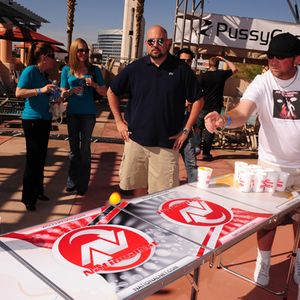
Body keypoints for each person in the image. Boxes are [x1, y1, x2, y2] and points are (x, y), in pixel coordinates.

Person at [204, 32, 300, 287]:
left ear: (297, 59)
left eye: (281, 56)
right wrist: (224, 119)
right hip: (271, 166)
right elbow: (242, 111)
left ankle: (299, 258)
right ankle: (264, 261)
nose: (274, 60)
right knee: (267, 220)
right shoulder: (262, 81)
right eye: (270, 56)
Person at [107, 25, 204, 197]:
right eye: (151, 41)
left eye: (160, 41)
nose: (155, 45)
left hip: (166, 145)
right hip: (135, 141)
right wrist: (118, 121)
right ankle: (139, 223)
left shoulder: (181, 69)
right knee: (137, 189)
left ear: (168, 43)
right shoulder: (135, 68)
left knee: (161, 196)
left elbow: (198, 100)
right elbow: (111, 91)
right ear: (146, 44)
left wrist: (185, 131)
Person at [60, 38, 107, 195]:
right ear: (74, 51)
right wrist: (69, 92)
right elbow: (62, 92)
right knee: (73, 150)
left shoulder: (94, 70)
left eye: (86, 50)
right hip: (72, 113)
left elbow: (104, 92)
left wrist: (93, 85)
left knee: (85, 149)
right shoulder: (67, 70)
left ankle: (82, 184)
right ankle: (72, 182)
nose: (84, 53)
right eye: (80, 50)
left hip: (88, 114)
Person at [15, 43, 57, 211]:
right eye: (52, 56)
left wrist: (57, 95)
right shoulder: (30, 71)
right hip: (32, 121)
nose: (54, 60)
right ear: (44, 57)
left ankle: (38, 191)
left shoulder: (43, 74)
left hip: (44, 120)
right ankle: (28, 198)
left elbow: (45, 94)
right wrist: (41, 90)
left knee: (40, 158)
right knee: (33, 160)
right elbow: (19, 92)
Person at [195, 55, 237, 161]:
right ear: (219, 64)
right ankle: (206, 154)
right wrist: (225, 59)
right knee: (210, 130)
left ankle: (196, 147)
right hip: (215, 107)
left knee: (198, 128)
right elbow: (234, 69)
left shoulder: (203, 76)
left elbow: (196, 90)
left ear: (208, 64)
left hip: (203, 106)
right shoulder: (221, 75)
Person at [176, 48, 198, 183]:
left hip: (186, 126)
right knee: (166, 166)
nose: (185, 63)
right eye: (182, 60)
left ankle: (194, 189)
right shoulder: (169, 75)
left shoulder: (193, 79)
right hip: (169, 128)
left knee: (191, 163)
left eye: (188, 60)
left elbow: (198, 102)